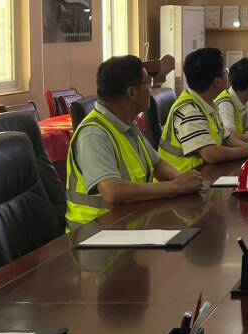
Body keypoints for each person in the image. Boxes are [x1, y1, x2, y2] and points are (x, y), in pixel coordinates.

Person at [64, 55, 204, 228]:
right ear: (131, 93)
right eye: (148, 82)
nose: (151, 89)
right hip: (95, 232)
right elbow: (112, 191)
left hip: (128, 221)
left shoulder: (126, 124)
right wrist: (176, 186)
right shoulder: (94, 133)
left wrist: (184, 180)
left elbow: (157, 164)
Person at [158, 47, 248, 172]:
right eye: (225, 71)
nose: (228, 74)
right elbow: (210, 153)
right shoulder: (189, 110)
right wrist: (244, 151)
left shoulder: (208, 104)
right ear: (217, 81)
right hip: (183, 177)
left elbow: (227, 138)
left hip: (202, 173)